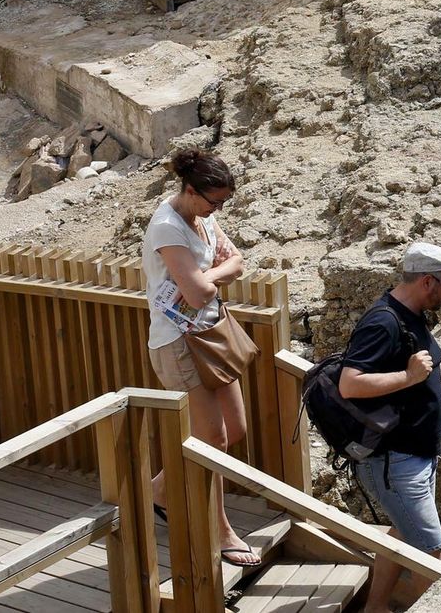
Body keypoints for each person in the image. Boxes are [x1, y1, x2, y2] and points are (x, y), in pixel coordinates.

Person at [143, 147, 263, 568]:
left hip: (209, 334)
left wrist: (205, 276)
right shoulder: (167, 228)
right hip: (178, 342)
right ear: (191, 191)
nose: (219, 209)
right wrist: (209, 278)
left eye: (223, 202)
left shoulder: (202, 218)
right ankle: (220, 530)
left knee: (235, 428)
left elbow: (236, 263)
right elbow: (197, 294)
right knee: (213, 439)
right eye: (215, 201)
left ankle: (159, 490)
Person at [340, 241, 441, 612]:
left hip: (416, 451)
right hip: (394, 461)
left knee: (401, 531)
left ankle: (375, 607)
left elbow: (412, 380)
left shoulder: (409, 316)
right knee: (430, 548)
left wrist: (432, 418)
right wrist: (410, 378)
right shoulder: (382, 322)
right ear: (428, 281)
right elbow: (350, 384)